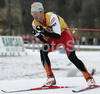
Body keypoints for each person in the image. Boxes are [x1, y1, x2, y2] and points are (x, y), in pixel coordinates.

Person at [31, 2, 96, 87]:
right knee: (43, 51)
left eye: (36, 13)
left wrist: (44, 31)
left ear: (42, 11)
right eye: (32, 14)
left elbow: (57, 35)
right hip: (53, 39)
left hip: (64, 35)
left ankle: (89, 78)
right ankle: (51, 78)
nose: (34, 16)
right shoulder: (34, 24)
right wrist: (39, 36)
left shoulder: (52, 17)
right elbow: (45, 40)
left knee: (72, 57)